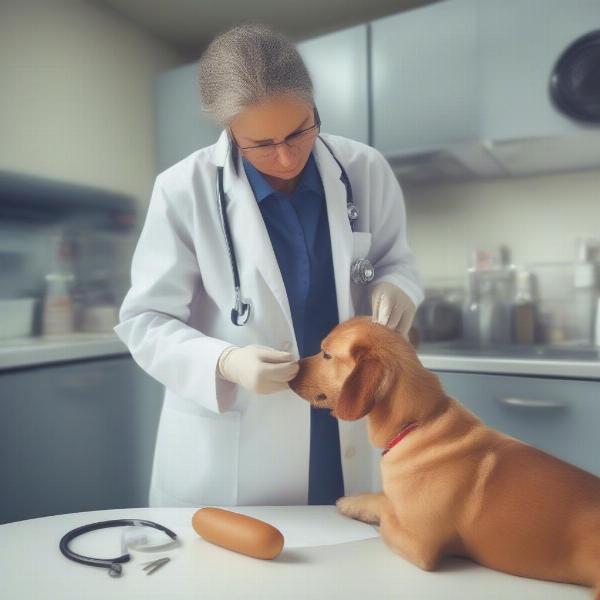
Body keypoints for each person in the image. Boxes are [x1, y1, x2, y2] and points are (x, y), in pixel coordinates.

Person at [115, 23, 423, 508]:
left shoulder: (364, 169)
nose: (285, 156)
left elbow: (395, 260)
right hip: (236, 441)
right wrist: (224, 362)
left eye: (300, 130)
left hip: (344, 414)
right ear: (229, 131)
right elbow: (145, 321)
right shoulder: (182, 190)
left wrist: (398, 285)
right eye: (260, 144)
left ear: (313, 105)